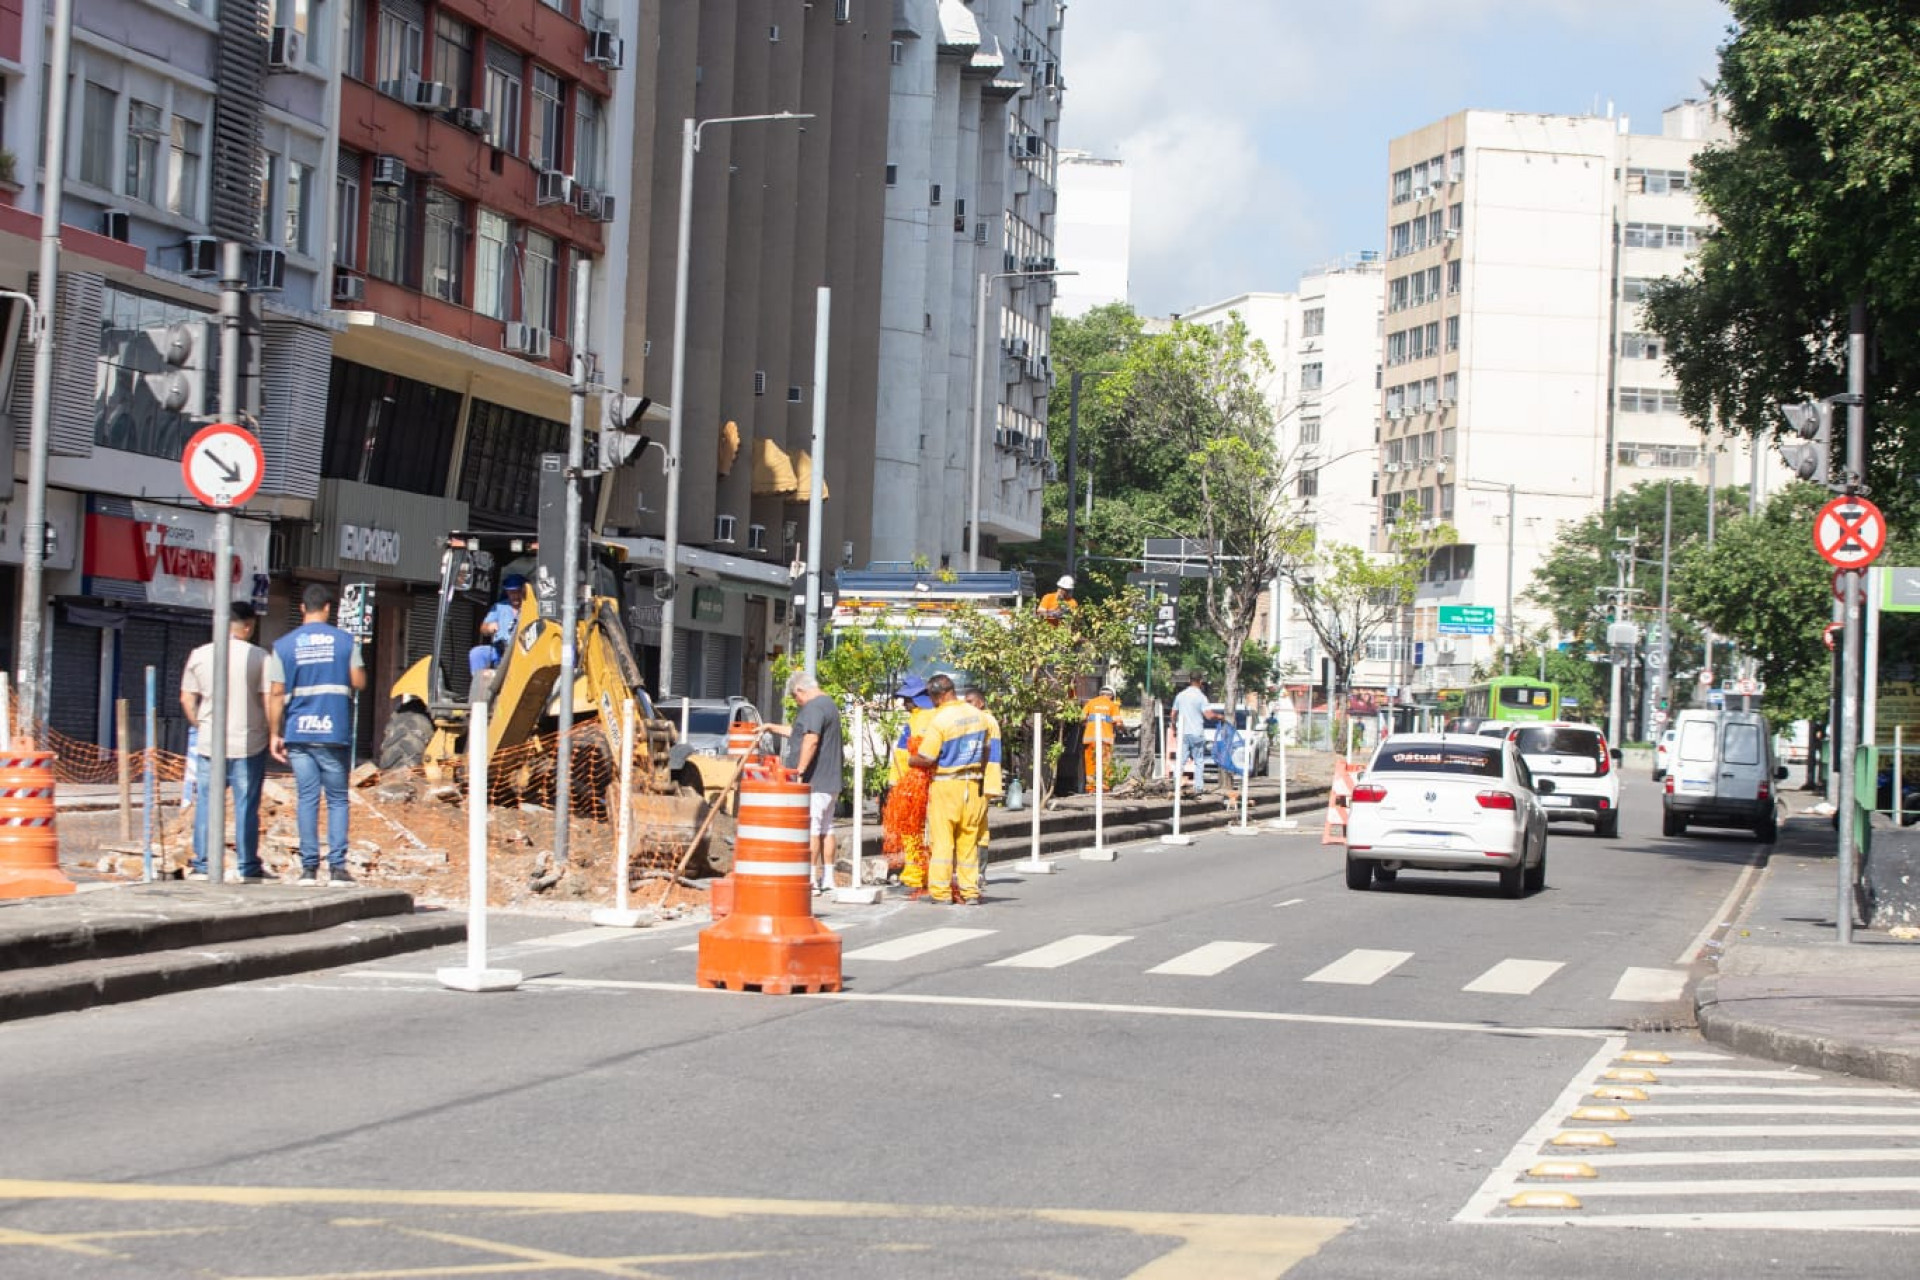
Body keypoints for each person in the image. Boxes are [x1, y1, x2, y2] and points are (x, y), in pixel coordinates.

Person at [268, 583, 369, 886]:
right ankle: (337, 868)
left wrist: (274, 733)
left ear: (302, 608)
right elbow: (358, 681)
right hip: (332, 731)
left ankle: (309, 869)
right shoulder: (345, 642)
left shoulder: (284, 646)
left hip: (299, 733)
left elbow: (276, 692)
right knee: (337, 800)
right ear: (328, 608)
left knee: (307, 799)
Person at [179, 601, 273, 881]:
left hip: (210, 743)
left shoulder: (199, 654)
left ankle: (203, 863)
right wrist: (273, 731)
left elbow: (186, 698)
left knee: (207, 803)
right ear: (248, 626)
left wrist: (201, 725)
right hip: (248, 742)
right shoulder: (260, 657)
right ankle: (247, 865)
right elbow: (269, 699)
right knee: (246, 806)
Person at [908, 673, 990, 905]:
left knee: (943, 842)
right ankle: (970, 892)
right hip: (973, 784)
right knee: (968, 842)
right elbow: (985, 751)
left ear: (938, 696)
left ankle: (941, 892)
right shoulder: (979, 716)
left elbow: (927, 757)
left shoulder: (940, 720)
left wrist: (911, 760)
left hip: (946, 785)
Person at [768, 670, 844, 893]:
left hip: (815, 779)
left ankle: (810, 878)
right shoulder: (828, 704)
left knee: (812, 827)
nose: (797, 702)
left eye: (795, 697)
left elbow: (810, 739)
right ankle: (828, 878)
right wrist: (771, 727)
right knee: (827, 827)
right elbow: (798, 732)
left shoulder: (813, 707)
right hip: (831, 779)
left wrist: (800, 769)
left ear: (800, 690)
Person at [884, 674, 937, 889]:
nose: (904, 704)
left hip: (915, 782)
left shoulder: (918, 720)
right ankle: (930, 873)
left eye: (906, 700)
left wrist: (895, 783)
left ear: (913, 700)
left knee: (912, 829)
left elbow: (904, 755)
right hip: (935, 781)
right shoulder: (936, 715)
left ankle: (916, 874)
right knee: (932, 831)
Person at [468, 574, 528, 684]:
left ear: (524, 591)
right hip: (499, 650)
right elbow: (483, 628)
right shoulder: (499, 607)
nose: (515, 596)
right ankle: (479, 686)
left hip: (522, 652)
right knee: (477, 653)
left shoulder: (532, 608)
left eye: (518, 591)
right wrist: (489, 627)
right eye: (511, 592)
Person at [1171, 672, 1218, 796]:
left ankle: (1176, 784)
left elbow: (1173, 714)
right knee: (1199, 761)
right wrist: (1220, 717)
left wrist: (1174, 727)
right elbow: (1209, 715)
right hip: (1197, 733)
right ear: (1200, 681)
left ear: (1189, 680)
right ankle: (1198, 787)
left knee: (1181, 760)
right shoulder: (1201, 697)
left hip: (1183, 732)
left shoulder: (1181, 695)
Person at [1080, 684, 1121, 794]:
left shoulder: (1091, 703)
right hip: (1105, 739)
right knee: (1105, 763)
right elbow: (1118, 723)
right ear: (1112, 696)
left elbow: (1081, 717)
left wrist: (1088, 723)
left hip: (1090, 739)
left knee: (1091, 762)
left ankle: (1091, 788)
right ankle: (1104, 787)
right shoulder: (1112, 705)